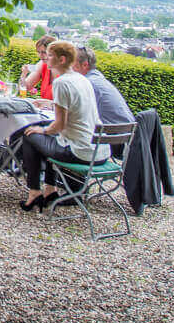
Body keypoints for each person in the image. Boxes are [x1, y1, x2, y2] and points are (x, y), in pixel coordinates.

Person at [18, 40, 108, 211]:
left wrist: (42, 130)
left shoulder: (61, 82)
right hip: (100, 151)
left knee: (29, 134)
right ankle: (50, 190)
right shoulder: (82, 79)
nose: (46, 58)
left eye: (50, 55)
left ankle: (34, 191)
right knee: (46, 137)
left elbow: (59, 125)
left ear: (62, 60)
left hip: (80, 152)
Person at [74, 45, 135, 125]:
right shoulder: (98, 79)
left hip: (110, 134)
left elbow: (76, 114)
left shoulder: (88, 84)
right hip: (125, 132)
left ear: (85, 65)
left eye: (71, 63)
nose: (68, 67)